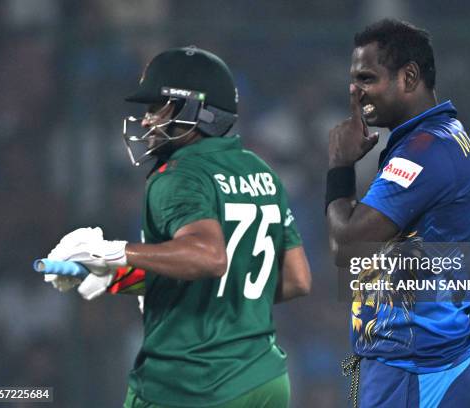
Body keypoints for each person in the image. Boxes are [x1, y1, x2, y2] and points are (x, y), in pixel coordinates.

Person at [41, 46, 311, 408]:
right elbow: (295, 279)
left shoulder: (178, 175)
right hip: (265, 381)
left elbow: (209, 256)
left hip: (191, 383)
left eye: (156, 107)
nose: (146, 120)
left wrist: (114, 251)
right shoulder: (262, 172)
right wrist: (116, 276)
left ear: (192, 110)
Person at [326, 19, 470, 407]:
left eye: (366, 77)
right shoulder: (439, 138)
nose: (354, 91)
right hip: (427, 357)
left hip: (417, 365)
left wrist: (339, 165)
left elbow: (348, 247)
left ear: (408, 77)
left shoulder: (424, 149)